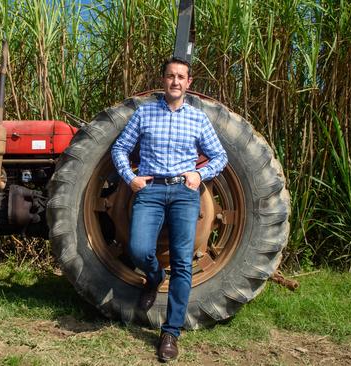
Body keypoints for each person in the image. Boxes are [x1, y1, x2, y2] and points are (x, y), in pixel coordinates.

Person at [111, 57, 228, 362]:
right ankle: (153, 276)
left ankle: (170, 332)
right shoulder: (145, 112)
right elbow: (120, 148)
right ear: (163, 80)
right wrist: (130, 178)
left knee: (183, 262)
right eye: (170, 76)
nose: (175, 81)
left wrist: (199, 175)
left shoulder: (198, 119)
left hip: (184, 193)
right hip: (150, 190)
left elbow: (220, 156)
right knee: (137, 248)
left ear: (189, 83)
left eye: (181, 77)